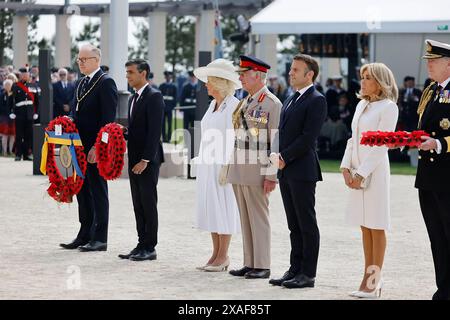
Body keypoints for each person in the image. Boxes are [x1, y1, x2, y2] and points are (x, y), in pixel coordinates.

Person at [340, 62, 399, 298]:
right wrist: (345, 167)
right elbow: (352, 139)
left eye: (368, 78)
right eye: (362, 76)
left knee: (376, 225)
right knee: (365, 226)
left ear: (380, 82)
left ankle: (375, 280)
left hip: (374, 172)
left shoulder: (388, 107)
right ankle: (366, 277)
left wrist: (361, 172)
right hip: (355, 170)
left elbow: (382, 144)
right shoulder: (361, 105)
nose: (362, 81)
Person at [269, 54, 327, 289]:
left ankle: (308, 273)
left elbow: (308, 138)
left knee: (306, 223)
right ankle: (294, 268)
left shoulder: (316, 99)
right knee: (294, 224)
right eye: (291, 69)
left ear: (309, 74)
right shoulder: (292, 98)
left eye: (296, 69)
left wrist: (284, 156)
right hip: (286, 170)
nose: (290, 73)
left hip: (302, 169)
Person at [227, 55, 282, 279]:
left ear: (258, 75)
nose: (240, 77)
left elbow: (276, 141)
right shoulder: (246, 100)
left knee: (258, 217)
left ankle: (263, 264)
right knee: (245, 217)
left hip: (258, 168)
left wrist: (272, 174)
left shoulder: (271, 103)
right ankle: (250, 261)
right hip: (240, 166)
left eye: (244, 73)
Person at [60, 44, 118, 252]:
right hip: (78, 146)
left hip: (95, 149)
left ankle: (100, 237)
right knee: (82, 190)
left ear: (96, 60)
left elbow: (108, 120)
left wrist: (97, 146)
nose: (80, 63)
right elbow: (77, 111)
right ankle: (84, 233)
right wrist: (68, 120)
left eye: (84, 59)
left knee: (98, 191)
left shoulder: (106, 83)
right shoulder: (81, 82)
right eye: (79, 60)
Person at [192, 59, 241, 272]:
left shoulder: (234, 105)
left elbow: (239, 138)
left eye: (209, 81)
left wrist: (230, 164)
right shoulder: (213, 104)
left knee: (224, 207)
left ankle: (224, 256)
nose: (206, 84)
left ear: (220, 82)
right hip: (208, 162)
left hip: (224, 164)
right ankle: (215, 254)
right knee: (211, 207)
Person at [118, 59, 164, 261]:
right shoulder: (132, 98)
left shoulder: (154, 96)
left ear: (143, 73)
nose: (127, 76)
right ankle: (141, 243)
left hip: (147, 160)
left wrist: (145, 159)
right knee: (137, 203)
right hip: (135, 157)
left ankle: (150, 246)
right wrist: (124, 132)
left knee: (148, 202)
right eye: (127, 73)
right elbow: (139, 128)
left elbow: (154, 132)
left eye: (130, 73)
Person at [415, 39, 450, 300]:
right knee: (437, 237)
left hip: (447, 176)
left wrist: (439, 143)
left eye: (434, 60)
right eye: (428, 60)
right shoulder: (431, 90)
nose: (429, 65)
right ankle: (444, 289)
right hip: (428, 177)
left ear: (448, 63)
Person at [8, 66, 39, 161]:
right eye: (23, 75)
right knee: (19, 135)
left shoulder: (33, 85)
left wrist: (36, 112)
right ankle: (18, 154)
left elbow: (37, 101)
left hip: (29, 113)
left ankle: (26, 154)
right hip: (19, 113)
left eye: (27, 74)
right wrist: (11, 111)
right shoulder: (15, 85)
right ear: (20, 76)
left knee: (28, 135)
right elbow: (10, 100)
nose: (25, 76)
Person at [159, 71, 177, 142]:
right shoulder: (162, 86)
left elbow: (175, 98)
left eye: (169, 76)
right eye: (166, 76)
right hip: (163, 108)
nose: (167, 78)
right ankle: (164, 138)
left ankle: (169, 138)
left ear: (171, 77)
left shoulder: (174, 86)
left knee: (169, 124)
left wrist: (173, 107)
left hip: (170, 108)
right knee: (162, 124)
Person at [0, 79, 15, 156]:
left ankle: (11, 151)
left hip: (13, 117)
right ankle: (5, 151)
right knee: (5, 135)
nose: (8, 87)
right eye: (6, 85)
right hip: (4, 117)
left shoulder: (14, 94)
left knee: (12, 135)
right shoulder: (2, 95)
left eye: (9, 85)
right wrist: (8, 112)